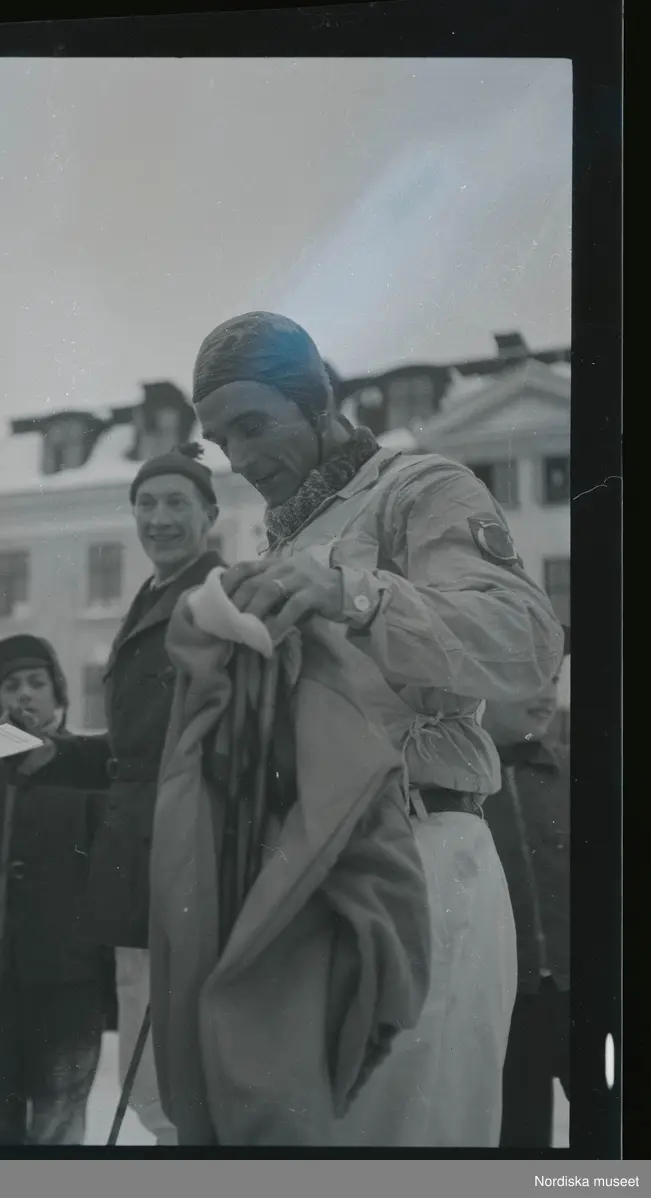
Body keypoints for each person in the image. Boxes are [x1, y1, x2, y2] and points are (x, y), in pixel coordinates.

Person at [168, 311, 563, 1145]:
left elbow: (525, 641)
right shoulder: (282, 539)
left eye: (252, 426)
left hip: (423, 859)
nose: (238, 458)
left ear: (316, 403)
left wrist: (356, 595)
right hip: (313, 871)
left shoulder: (420, 488)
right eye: (220, 440)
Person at [78, 444, 224, 1146]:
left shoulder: (214, 594)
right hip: (140, 835)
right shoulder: (155, 592)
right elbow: (135, 739)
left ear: (210, 515)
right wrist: (58, 750)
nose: (158, 519)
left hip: (182, 839)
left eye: (176, 504)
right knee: (144, 1017)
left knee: (175, 1051)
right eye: (146, 504)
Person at [0, 635, 113, 1146]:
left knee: (59, 1116)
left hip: (73, 973)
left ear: (59, 695)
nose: (25, 694)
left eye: (37, 682)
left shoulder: (92, 764)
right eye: (11, 685)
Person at [482, 629, 570, 1147]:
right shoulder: (462, 787)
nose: (547, 693)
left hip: (586, 993)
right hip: (510, 1005)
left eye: (553, 678)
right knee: (520, 1142)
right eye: (531, 677)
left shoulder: (579, 774)